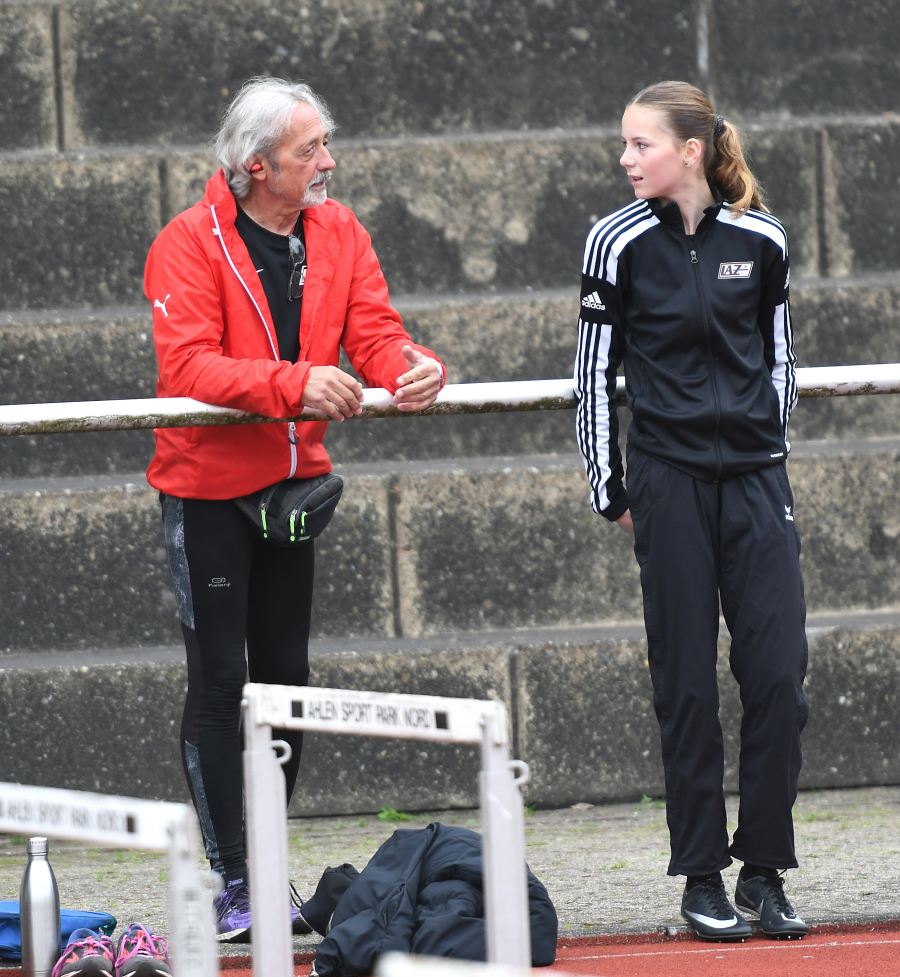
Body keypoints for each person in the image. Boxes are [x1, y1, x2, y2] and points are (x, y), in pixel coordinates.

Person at [144, 77, 445, 941]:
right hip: (206, 490)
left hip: (294, 487)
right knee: (220, 681)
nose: (328, 162)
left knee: (286, 681)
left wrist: (413, 366)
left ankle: (266, 863)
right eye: (311, 149)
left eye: (324, 145)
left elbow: (376, 333)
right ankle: (235, 878)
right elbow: (190, 368)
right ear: (255, 166)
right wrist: (294, 383)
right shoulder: (185, 243)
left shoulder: (341, 229)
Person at [574, 81, 809, 941]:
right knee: (686, 685)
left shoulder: (763, 237)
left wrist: (763, 440)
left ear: (691, 150)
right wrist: (615, 490)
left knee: (779, 676)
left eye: (640, 144)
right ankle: (701, 873)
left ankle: (765, 870)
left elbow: (781, 360)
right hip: (667, 483)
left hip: (756, 483)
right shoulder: (616, 241)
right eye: (625, 144)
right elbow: (592, 372)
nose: (626, 159)